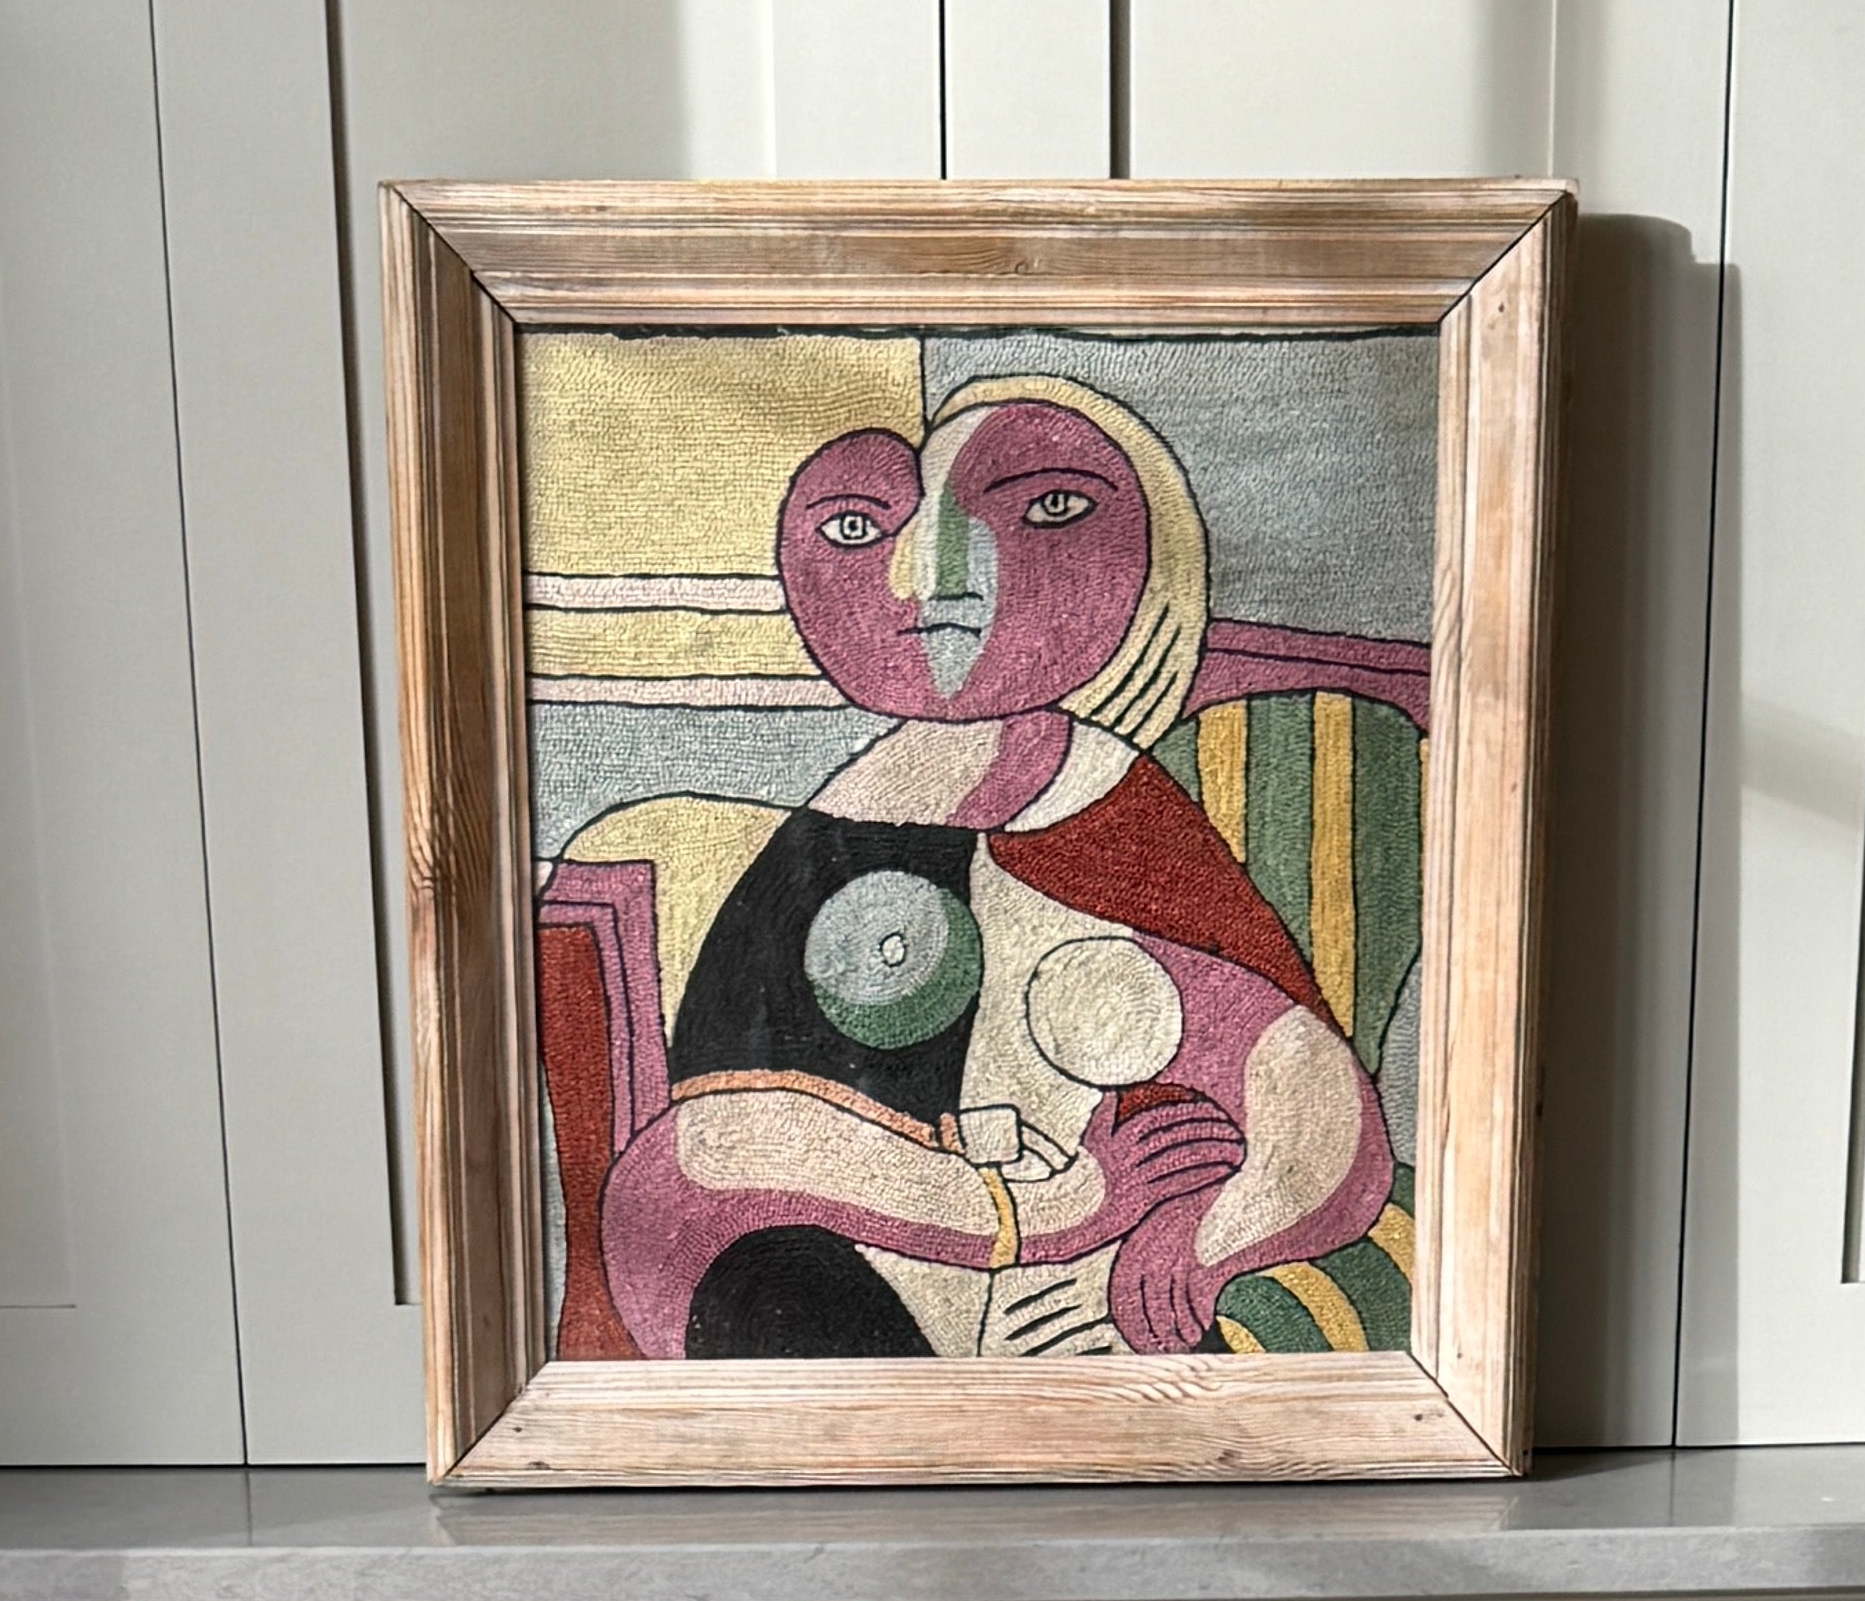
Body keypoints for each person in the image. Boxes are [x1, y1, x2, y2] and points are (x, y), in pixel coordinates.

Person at [588, 377, 1396, 1366]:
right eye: (857, 527)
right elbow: (705, 1156)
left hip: (1074, 1318)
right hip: (858, 1282)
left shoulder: (1106, 809)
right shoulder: (838, 824)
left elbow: (1312, 1103)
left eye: (1048, 508)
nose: (934, 580)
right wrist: (1039, 1208)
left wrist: (1208, 1237)